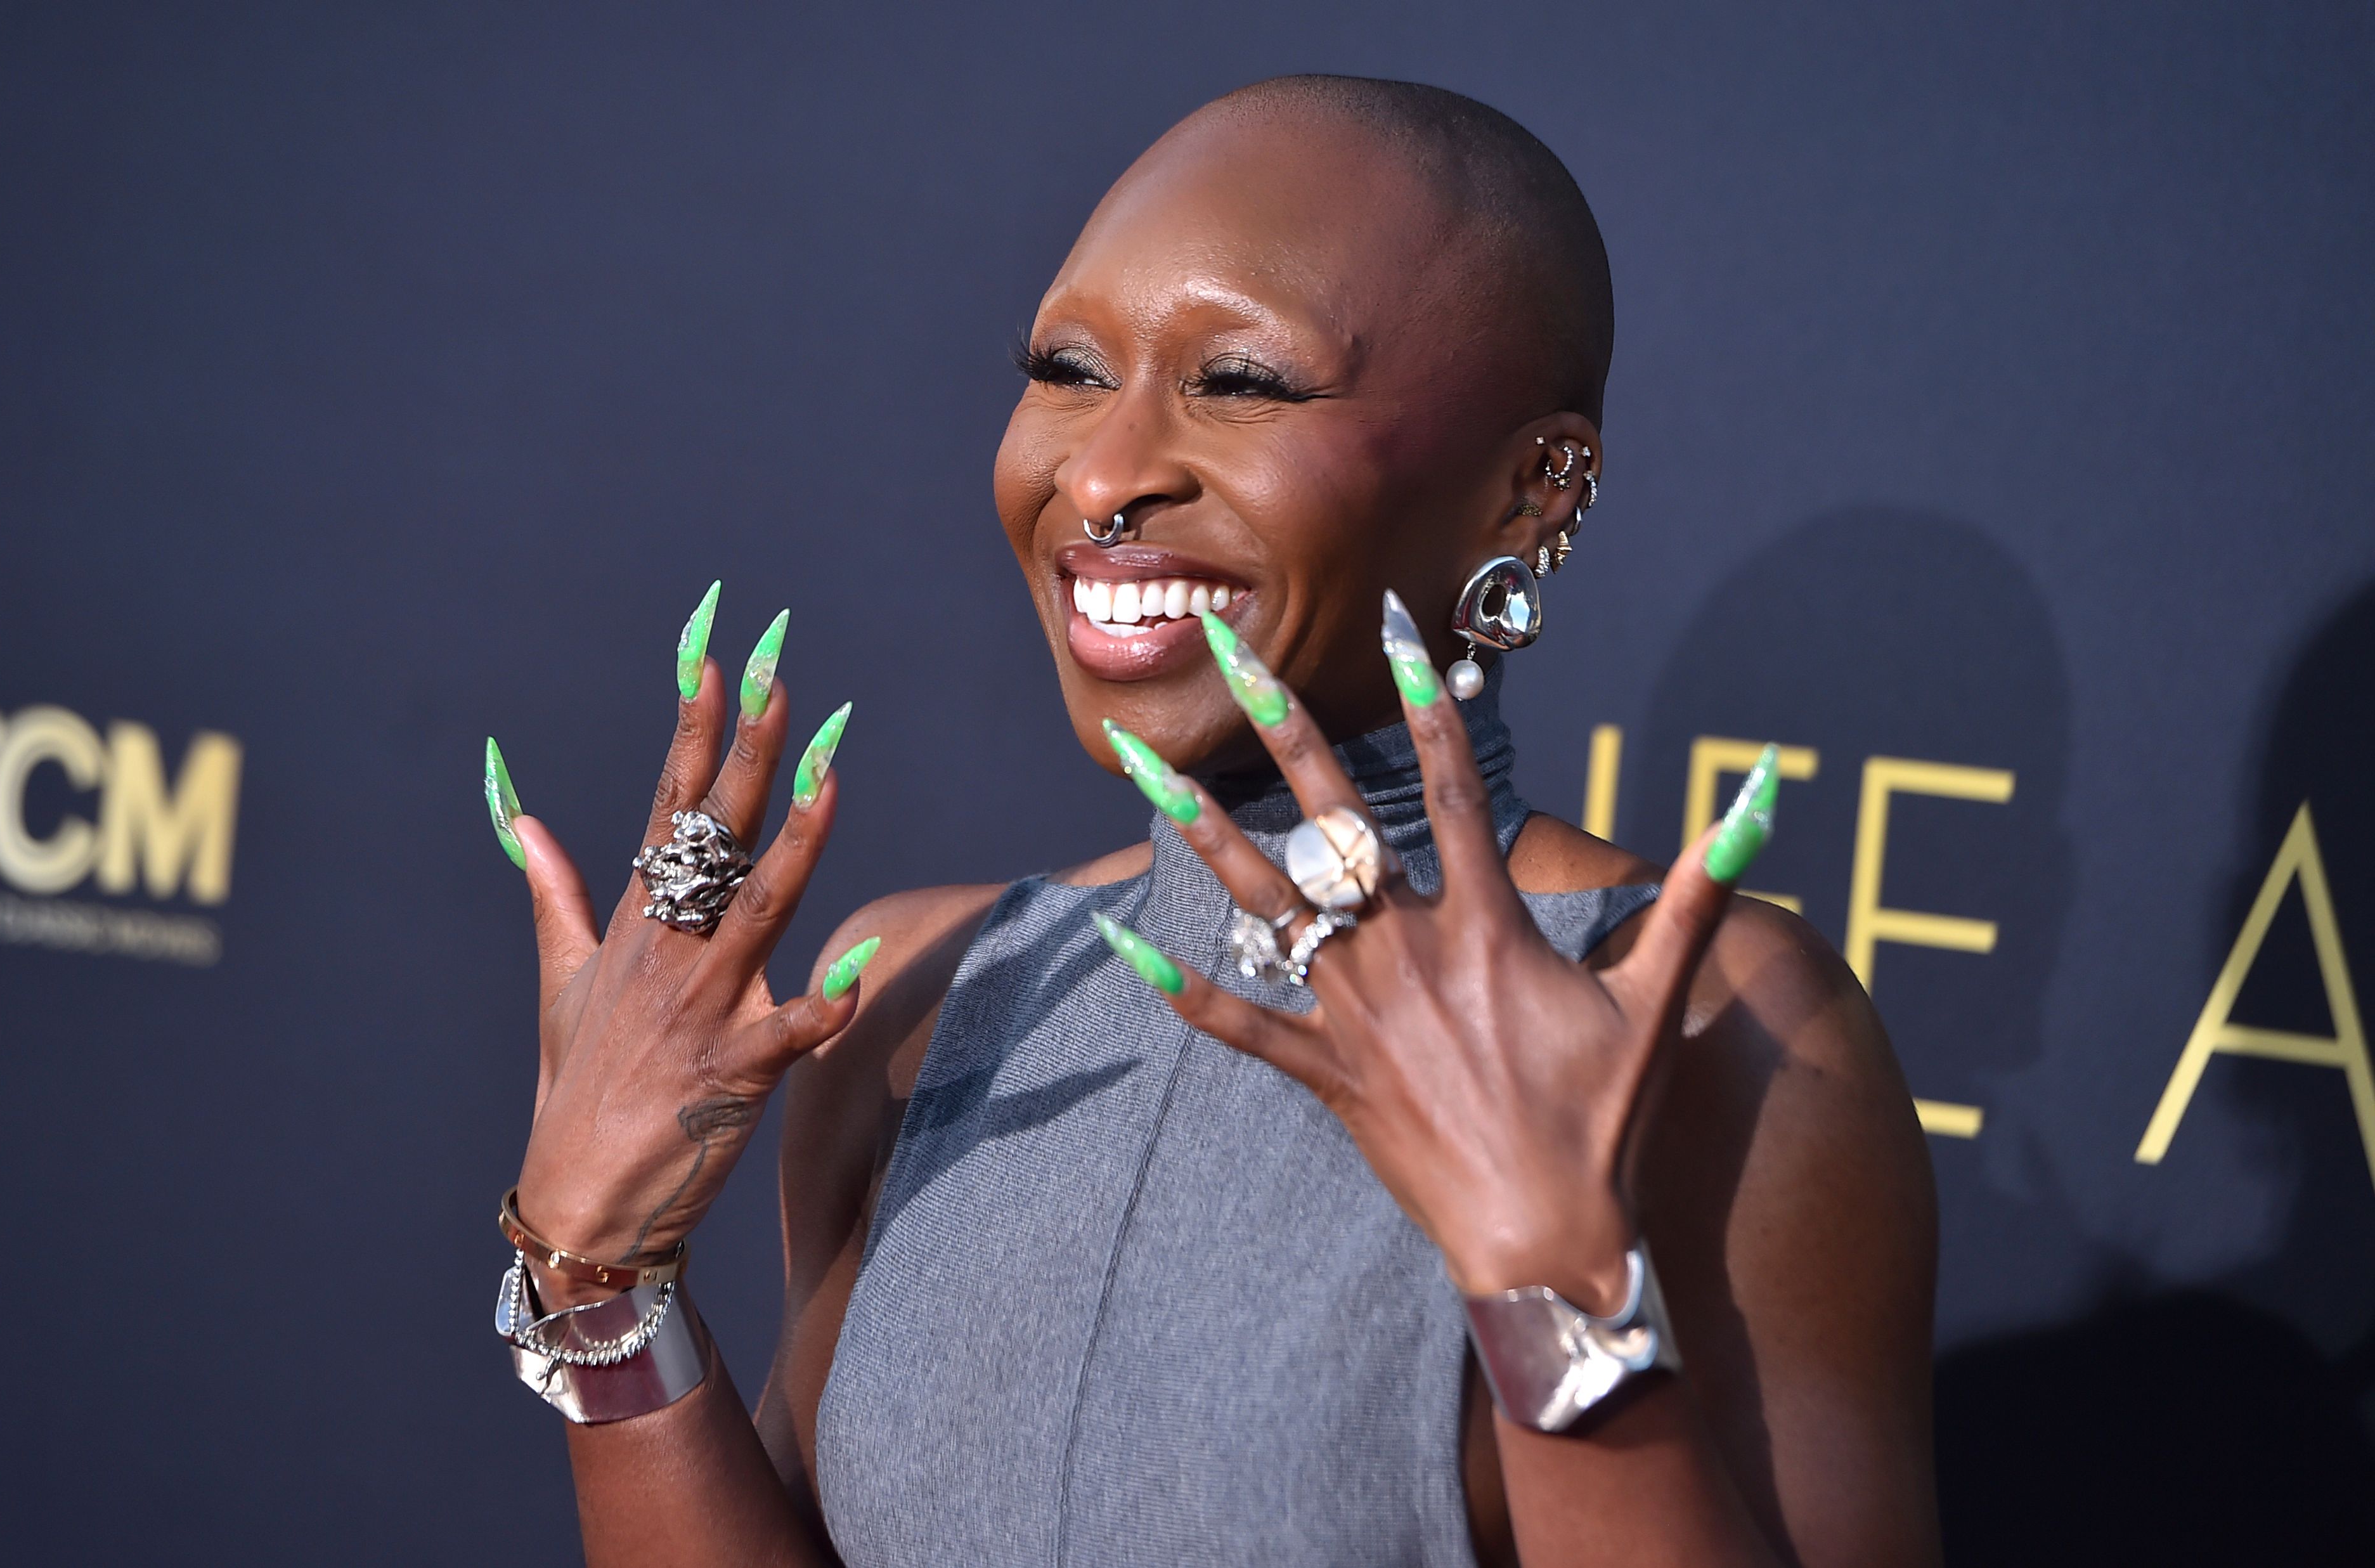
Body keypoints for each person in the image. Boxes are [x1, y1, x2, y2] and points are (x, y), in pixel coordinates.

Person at [483, 75, 1941, 1567]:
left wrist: (1549, 1286)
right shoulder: (923, 994)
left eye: (1241, 381)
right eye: (1065, 365)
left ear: (1525, 492)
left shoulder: (1700, 1021)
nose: (1105, 474)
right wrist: (602, 1289)